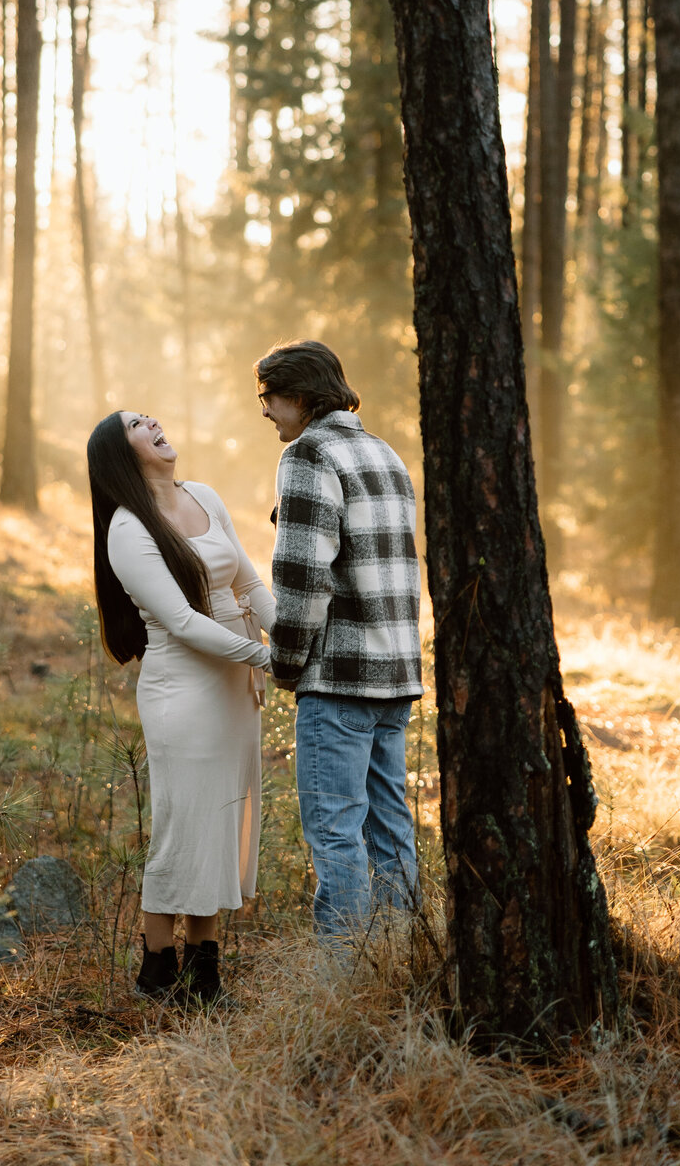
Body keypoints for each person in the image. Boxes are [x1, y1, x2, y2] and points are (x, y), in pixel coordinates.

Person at [87, 409, 275, 1006]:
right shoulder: (127, 529)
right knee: (182, 828)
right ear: (123, 453)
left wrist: (289, 641)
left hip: (234, 690)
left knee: (219, 823)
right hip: (184, 692)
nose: (155, 423)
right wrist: (266, 658)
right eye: (138, 423)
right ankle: (157, 974)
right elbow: (182, 621)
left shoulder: (204, 496)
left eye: (151, 415)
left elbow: (247, 584)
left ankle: (204, 976)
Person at [257, 339, 422, 939]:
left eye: (269, 399)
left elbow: (302, 576)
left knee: (334, 833)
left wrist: (284, 661)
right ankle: (403, 960)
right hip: (395, 674)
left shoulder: (309, 455)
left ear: (299, 397)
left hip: (339, 678)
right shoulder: (385, 454)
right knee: (390, 828)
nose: (265, 412)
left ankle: (344, 981)